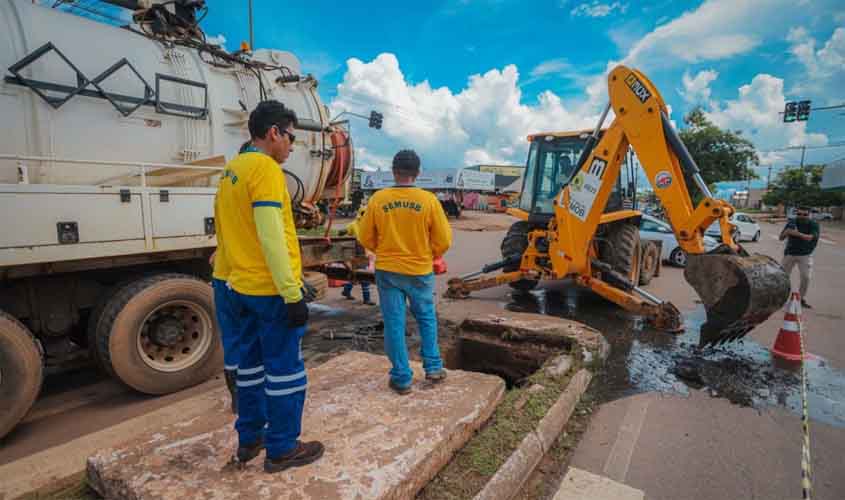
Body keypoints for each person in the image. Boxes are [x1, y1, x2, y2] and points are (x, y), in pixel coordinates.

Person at [214, 100, 324, 473]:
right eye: (291, 137)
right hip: (269, 291)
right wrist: (292, 293)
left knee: (250, 369)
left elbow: (228, 236)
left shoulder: (232, 169)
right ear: (274, 132)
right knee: (285, 372)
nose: (293, 146)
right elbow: (271, 236)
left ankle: (250, 438)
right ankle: (282, 448)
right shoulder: (265, 170)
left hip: (240, 286)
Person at [356, 150, 452, 395]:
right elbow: (443, 240)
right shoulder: (428, 200)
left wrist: (384, 249)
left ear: (393, 171)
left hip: (388, 270)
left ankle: (401, 378)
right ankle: (433, 367)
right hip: (420, 270)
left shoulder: (379, 199)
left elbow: (365, 236)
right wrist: (429, 254)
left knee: (394, 323)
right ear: (417, 173)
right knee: (426, 318)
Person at [779, 206, 820, 309]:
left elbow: (809, 238)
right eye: (799, 214)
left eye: (805, 214)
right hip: (790, 253)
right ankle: (780, 298)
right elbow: (781, 237)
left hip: (805, 255)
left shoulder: (813, 225)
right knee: (782, 277)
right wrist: (787, 232)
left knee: (806, 277)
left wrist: (795, 233)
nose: (801, 216)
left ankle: (800, 299)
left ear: (809, 215)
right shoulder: (792, 222)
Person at [342, 207, 375, 305]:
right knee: (364, 276)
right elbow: (345, 236)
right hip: (359, 253)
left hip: (362, 252)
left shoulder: (362, 224)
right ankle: (366, 299)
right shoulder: (365, 224)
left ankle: (346, 291)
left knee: (356, 274)